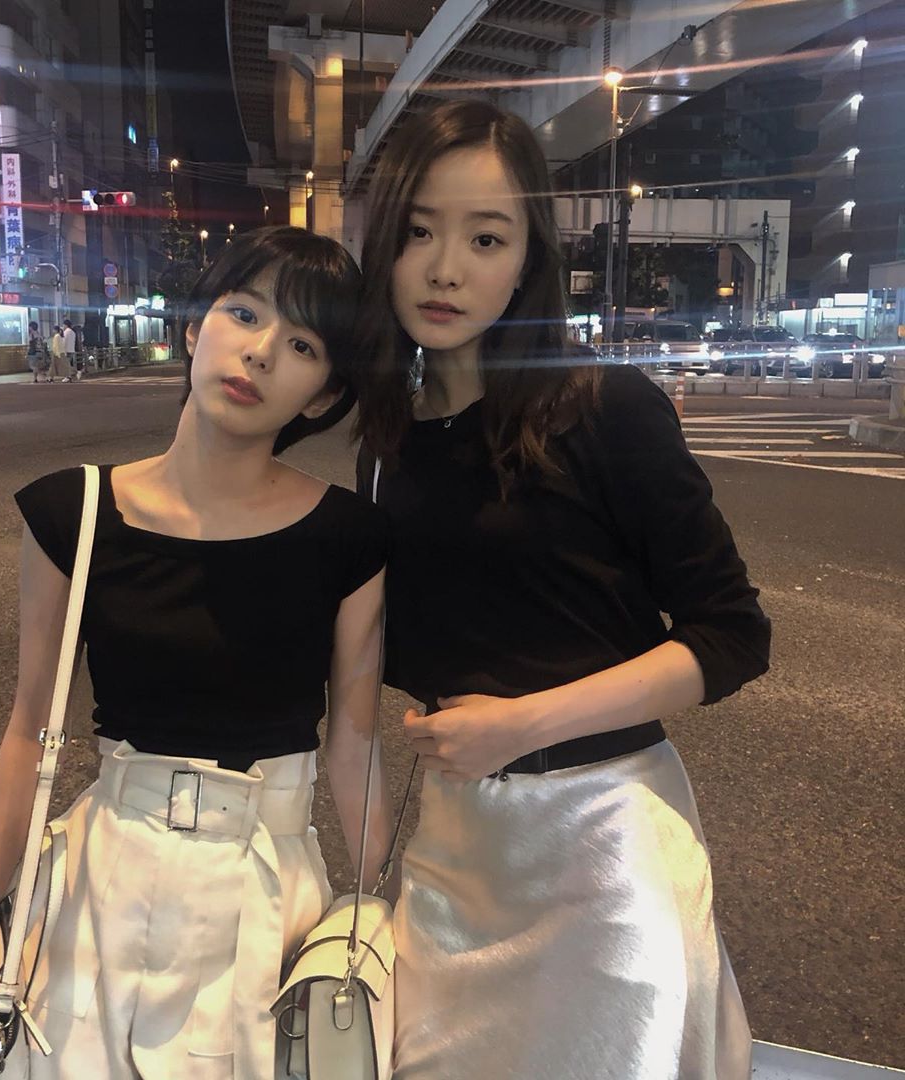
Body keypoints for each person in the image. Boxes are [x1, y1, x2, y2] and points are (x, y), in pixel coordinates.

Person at [0, 226, 395, 1080]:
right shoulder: (74, 514)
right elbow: (29, 733)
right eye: (244, 313)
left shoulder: (349, 537)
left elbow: (355, 742)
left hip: (266, 890)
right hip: (102, 881)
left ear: (323, 394)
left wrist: (384, 914)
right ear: (196, 326)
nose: (261, 352)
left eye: (303, 345)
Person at [354, 100, 771, 1080]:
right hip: (456, 849)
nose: (445, 269)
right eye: (419, 232)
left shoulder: (605, 408)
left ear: (526, 261)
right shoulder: (387, 447)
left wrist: (523, 724)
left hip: (606, 849)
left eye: (485, 238)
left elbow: (730, 635)